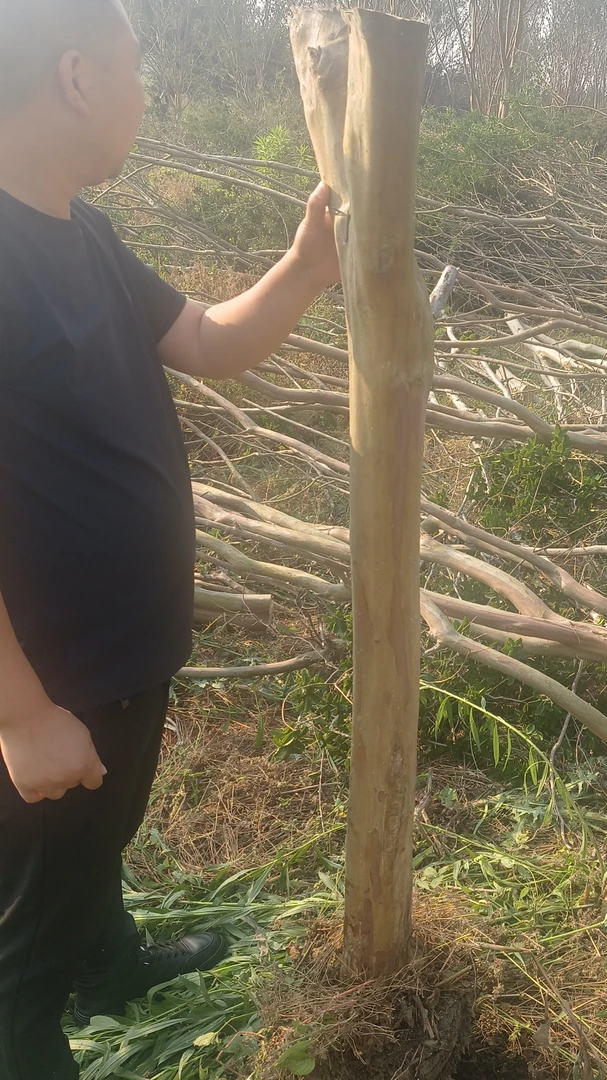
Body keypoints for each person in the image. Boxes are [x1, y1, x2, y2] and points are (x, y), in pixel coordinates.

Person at [0, 2, 341, 1076]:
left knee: (96, 855)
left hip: (120, 665)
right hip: (48, 690)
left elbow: (200, 338)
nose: (148, 98)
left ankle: (105, 960)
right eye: (136, 73)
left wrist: (303, 271)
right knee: (20, 944)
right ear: (75, 79)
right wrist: (19, 713)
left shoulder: (80, 230)